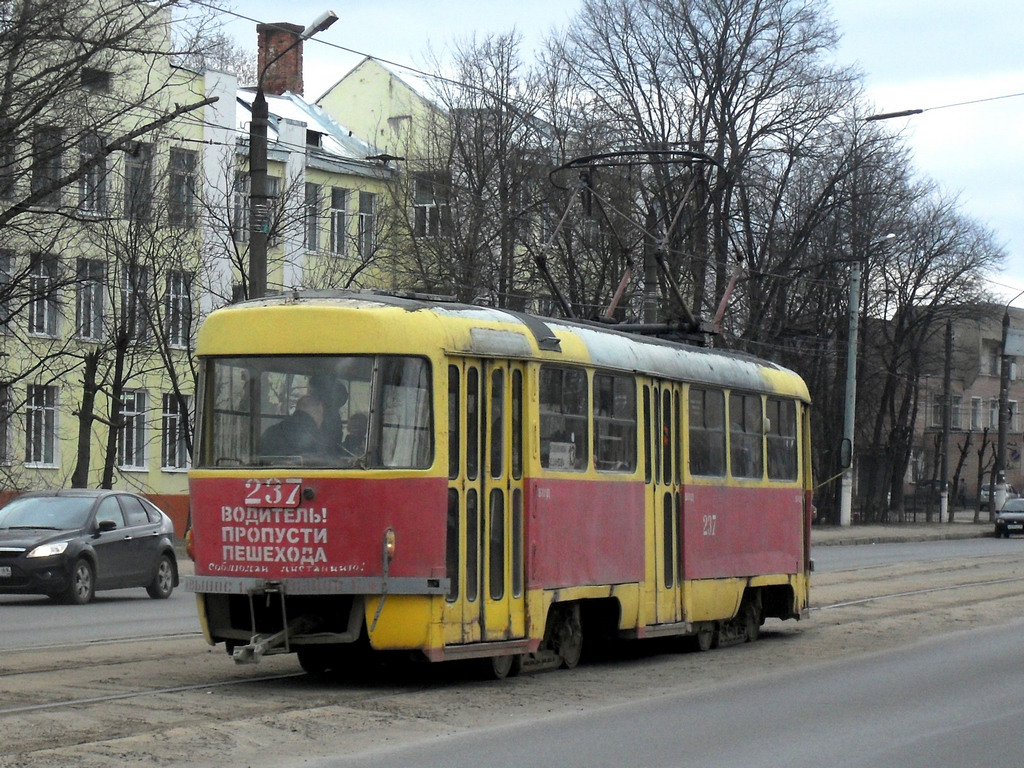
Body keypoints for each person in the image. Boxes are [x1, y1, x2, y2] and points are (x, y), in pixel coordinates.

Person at [261, 395, 327, 458]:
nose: (322, 419)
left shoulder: (271, 431)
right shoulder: (316, 438)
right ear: (314, 413)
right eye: (321, 414)